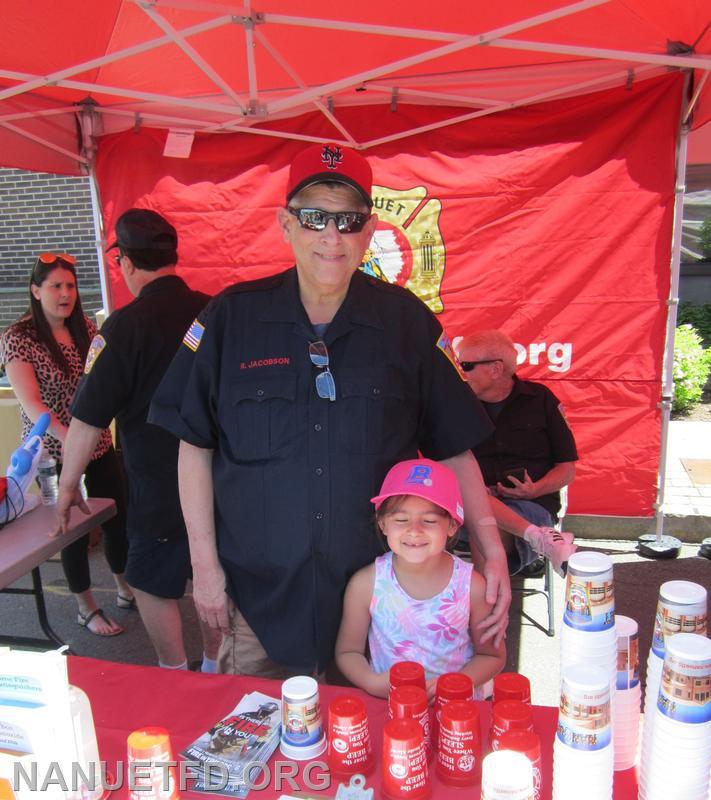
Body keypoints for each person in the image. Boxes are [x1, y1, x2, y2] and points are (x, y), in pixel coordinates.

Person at [148, 142, 510, 679]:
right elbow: (193, 447)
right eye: (314, 217)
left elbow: (454, 447)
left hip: (377, 604)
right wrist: (204, 568)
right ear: (285, 224)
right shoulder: (231, 318)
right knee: (253, 739)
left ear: (368, 231)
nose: (331, 236)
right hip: (258, 600)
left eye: (348, 220)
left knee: (369, 750)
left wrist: (490, 547)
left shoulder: (406, 323)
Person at [54, 209, 220, 672]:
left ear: (126, 262)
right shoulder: (216, 311)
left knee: (149, 578)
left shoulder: (122, 327)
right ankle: (212, 664)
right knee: (216, 571)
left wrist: (68, 488)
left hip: (157, 480)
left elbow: (87, 420)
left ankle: (173, 670)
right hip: (222, 474)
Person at [0, 253, 131, 636]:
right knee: (69, 526)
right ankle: (84, 606)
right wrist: (73, 439)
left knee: (117, 515)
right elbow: (33, 405)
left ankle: (124, 586)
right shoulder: (18, 337)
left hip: (96, 443)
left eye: (70, 286)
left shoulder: (86, 328)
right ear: (36, 290)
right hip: (51, 453)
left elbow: (103, 383)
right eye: (56, 286)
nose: (65, 294)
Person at [335, 458, 505, 701]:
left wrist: (456, 684)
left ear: (452, 525)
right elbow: (348, 652)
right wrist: (371, 682)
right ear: (383, 524)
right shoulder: (365, 584)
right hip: (392, 708)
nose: (414, 530)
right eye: (401, 520)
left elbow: (492, 656)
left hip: (458, 715)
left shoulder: (473, 587)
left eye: (430, 520)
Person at [456, 329, 578, 576]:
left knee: (485, 527)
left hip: (531, 505)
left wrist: (535, 488)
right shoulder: (457, 404)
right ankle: (542, 540)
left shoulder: (541, 400)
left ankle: (485, 607)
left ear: (496, 369)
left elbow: (567, 468)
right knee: (476, 507)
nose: (460, 373)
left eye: (466, 366)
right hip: (469, 505)